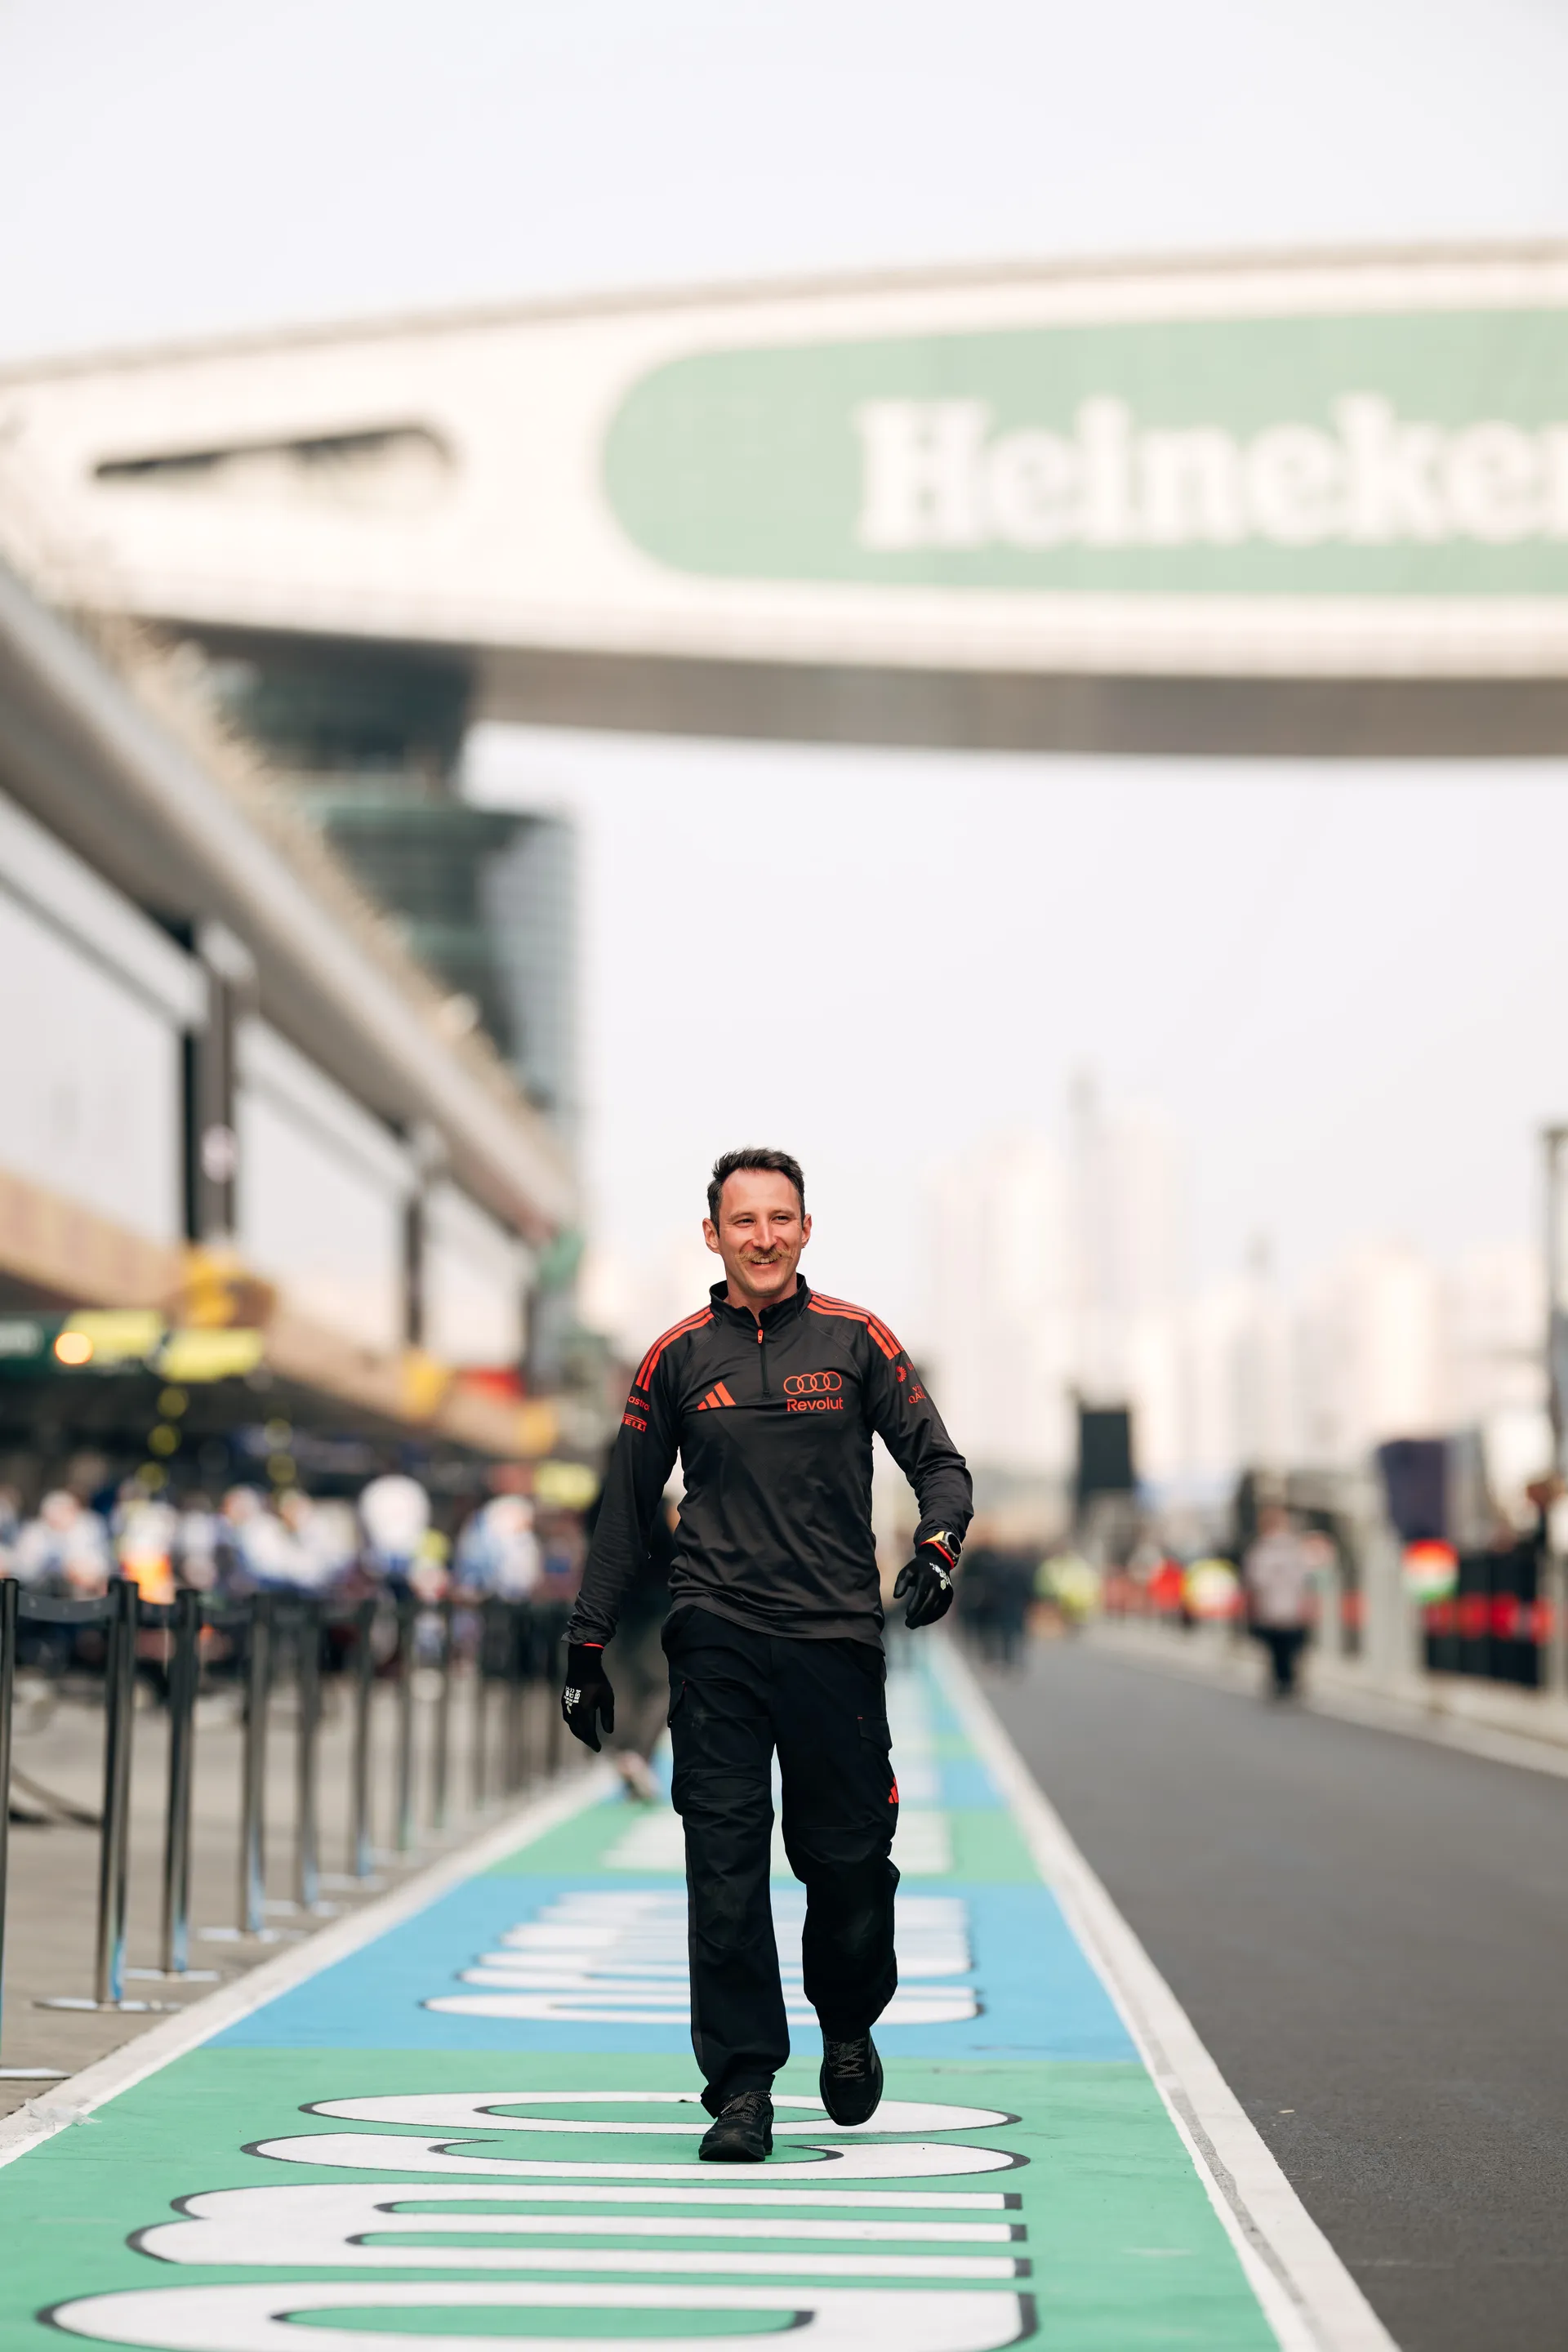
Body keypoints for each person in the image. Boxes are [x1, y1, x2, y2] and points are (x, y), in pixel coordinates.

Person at [561, 1147, 971, 2163]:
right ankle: (742, 2087)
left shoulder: (857, 1338)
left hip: (834, 1638)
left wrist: (938, 1547)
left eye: (780, 1218)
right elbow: (623, 1514)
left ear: (805, 1228)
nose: (763, 1235)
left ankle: (846, 2021)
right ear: (713, 1236)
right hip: (717, 1639)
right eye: (743, 1220)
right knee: (726, 1870)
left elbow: (940, 1464)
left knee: (846, 1867)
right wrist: (585, 1643)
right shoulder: (674, 1358)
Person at [1243, 1504, 1318, 1699]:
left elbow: (1255, 1580)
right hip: (1280, 1607)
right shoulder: (1275, 1548)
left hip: (1280, 1607)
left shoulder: (1269, 1549)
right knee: (1285, 1649)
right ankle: (1286, 1681)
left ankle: (1284, 1681)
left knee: (1281, 1649)